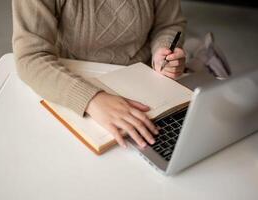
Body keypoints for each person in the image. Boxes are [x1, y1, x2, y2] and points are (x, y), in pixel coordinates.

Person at [12, 0, 187, 149]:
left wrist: (163, 51)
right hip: (70, 80)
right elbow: (30, 57)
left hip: (144, 76)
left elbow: (168, 24)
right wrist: (91, 99)